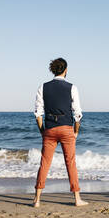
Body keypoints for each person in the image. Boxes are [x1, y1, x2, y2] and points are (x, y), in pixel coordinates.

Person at [33, 58, 88, 207]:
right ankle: (77, 199)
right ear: (66, 70)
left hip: (49, 129)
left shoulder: (42, 87)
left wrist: (42, 131)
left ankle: (37, 200)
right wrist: (76, 131)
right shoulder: (72, 87)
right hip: (66, 129)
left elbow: (38, 114)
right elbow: (77, 114)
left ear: (53, 70)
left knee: (44, 163)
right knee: (70, 163)